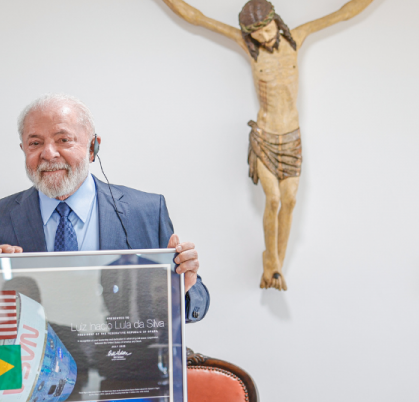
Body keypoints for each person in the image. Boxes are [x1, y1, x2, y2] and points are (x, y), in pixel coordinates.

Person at [160, 0, 373, 290]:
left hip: (291, 137)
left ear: (276, 20)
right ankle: (271, 262)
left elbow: (342, 14)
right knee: (273, 199)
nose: (263, 36)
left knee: (290, 201)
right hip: (265, 136)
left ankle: (275, 266)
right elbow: (198, 18)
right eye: (256, 33)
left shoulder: (297, 37)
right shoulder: (251, 47)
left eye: (267, 28)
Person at [0, 94, 209, 322]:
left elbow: (197, 302)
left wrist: (182, 289)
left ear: (93, 148)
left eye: (63, 140)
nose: (48, 153)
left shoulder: (146, 212)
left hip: (122, 354)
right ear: (23, 150)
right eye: (35, 143)